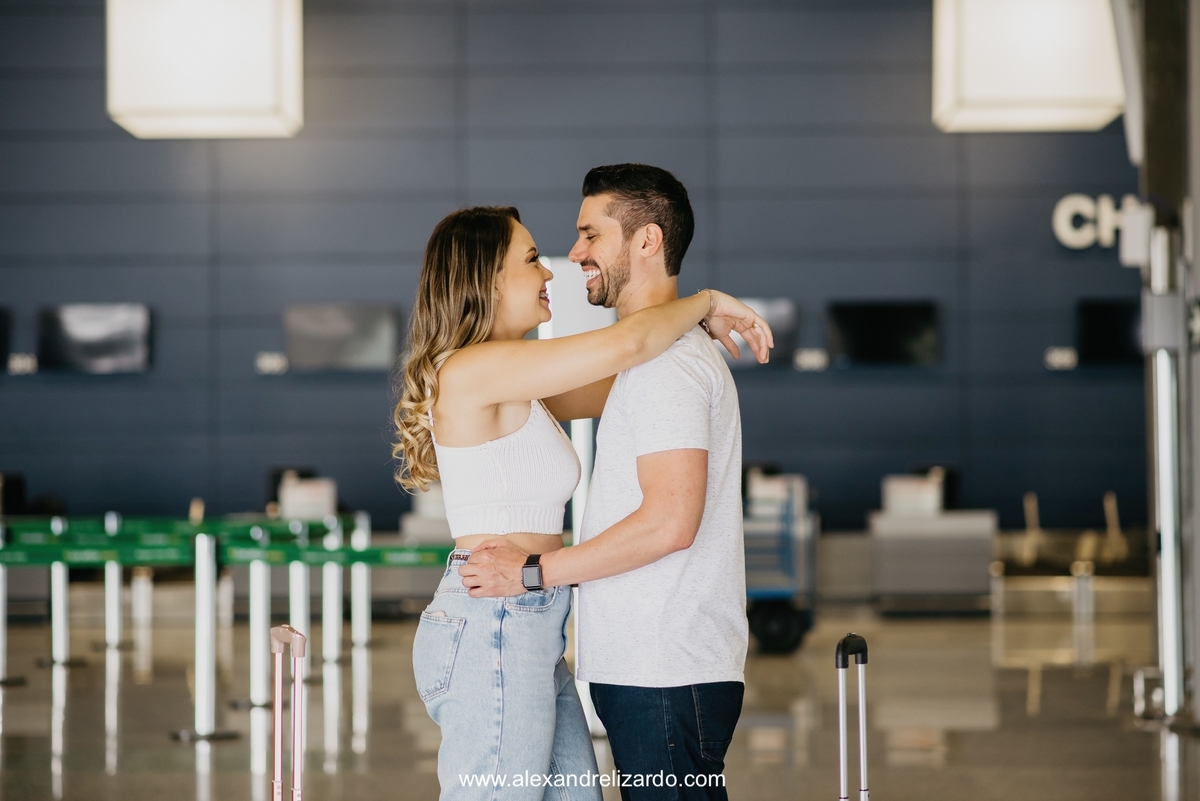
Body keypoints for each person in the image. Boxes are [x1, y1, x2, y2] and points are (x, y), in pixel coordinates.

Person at [393, 204, 772, 801]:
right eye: (529, 260)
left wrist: (688, 331)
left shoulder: (519, 380)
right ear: (486, 278)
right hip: (494, 619)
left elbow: (633, 373)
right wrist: (706, 301)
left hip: (534, 619)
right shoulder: (473, 369)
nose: (550, 272)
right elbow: (626, 346)